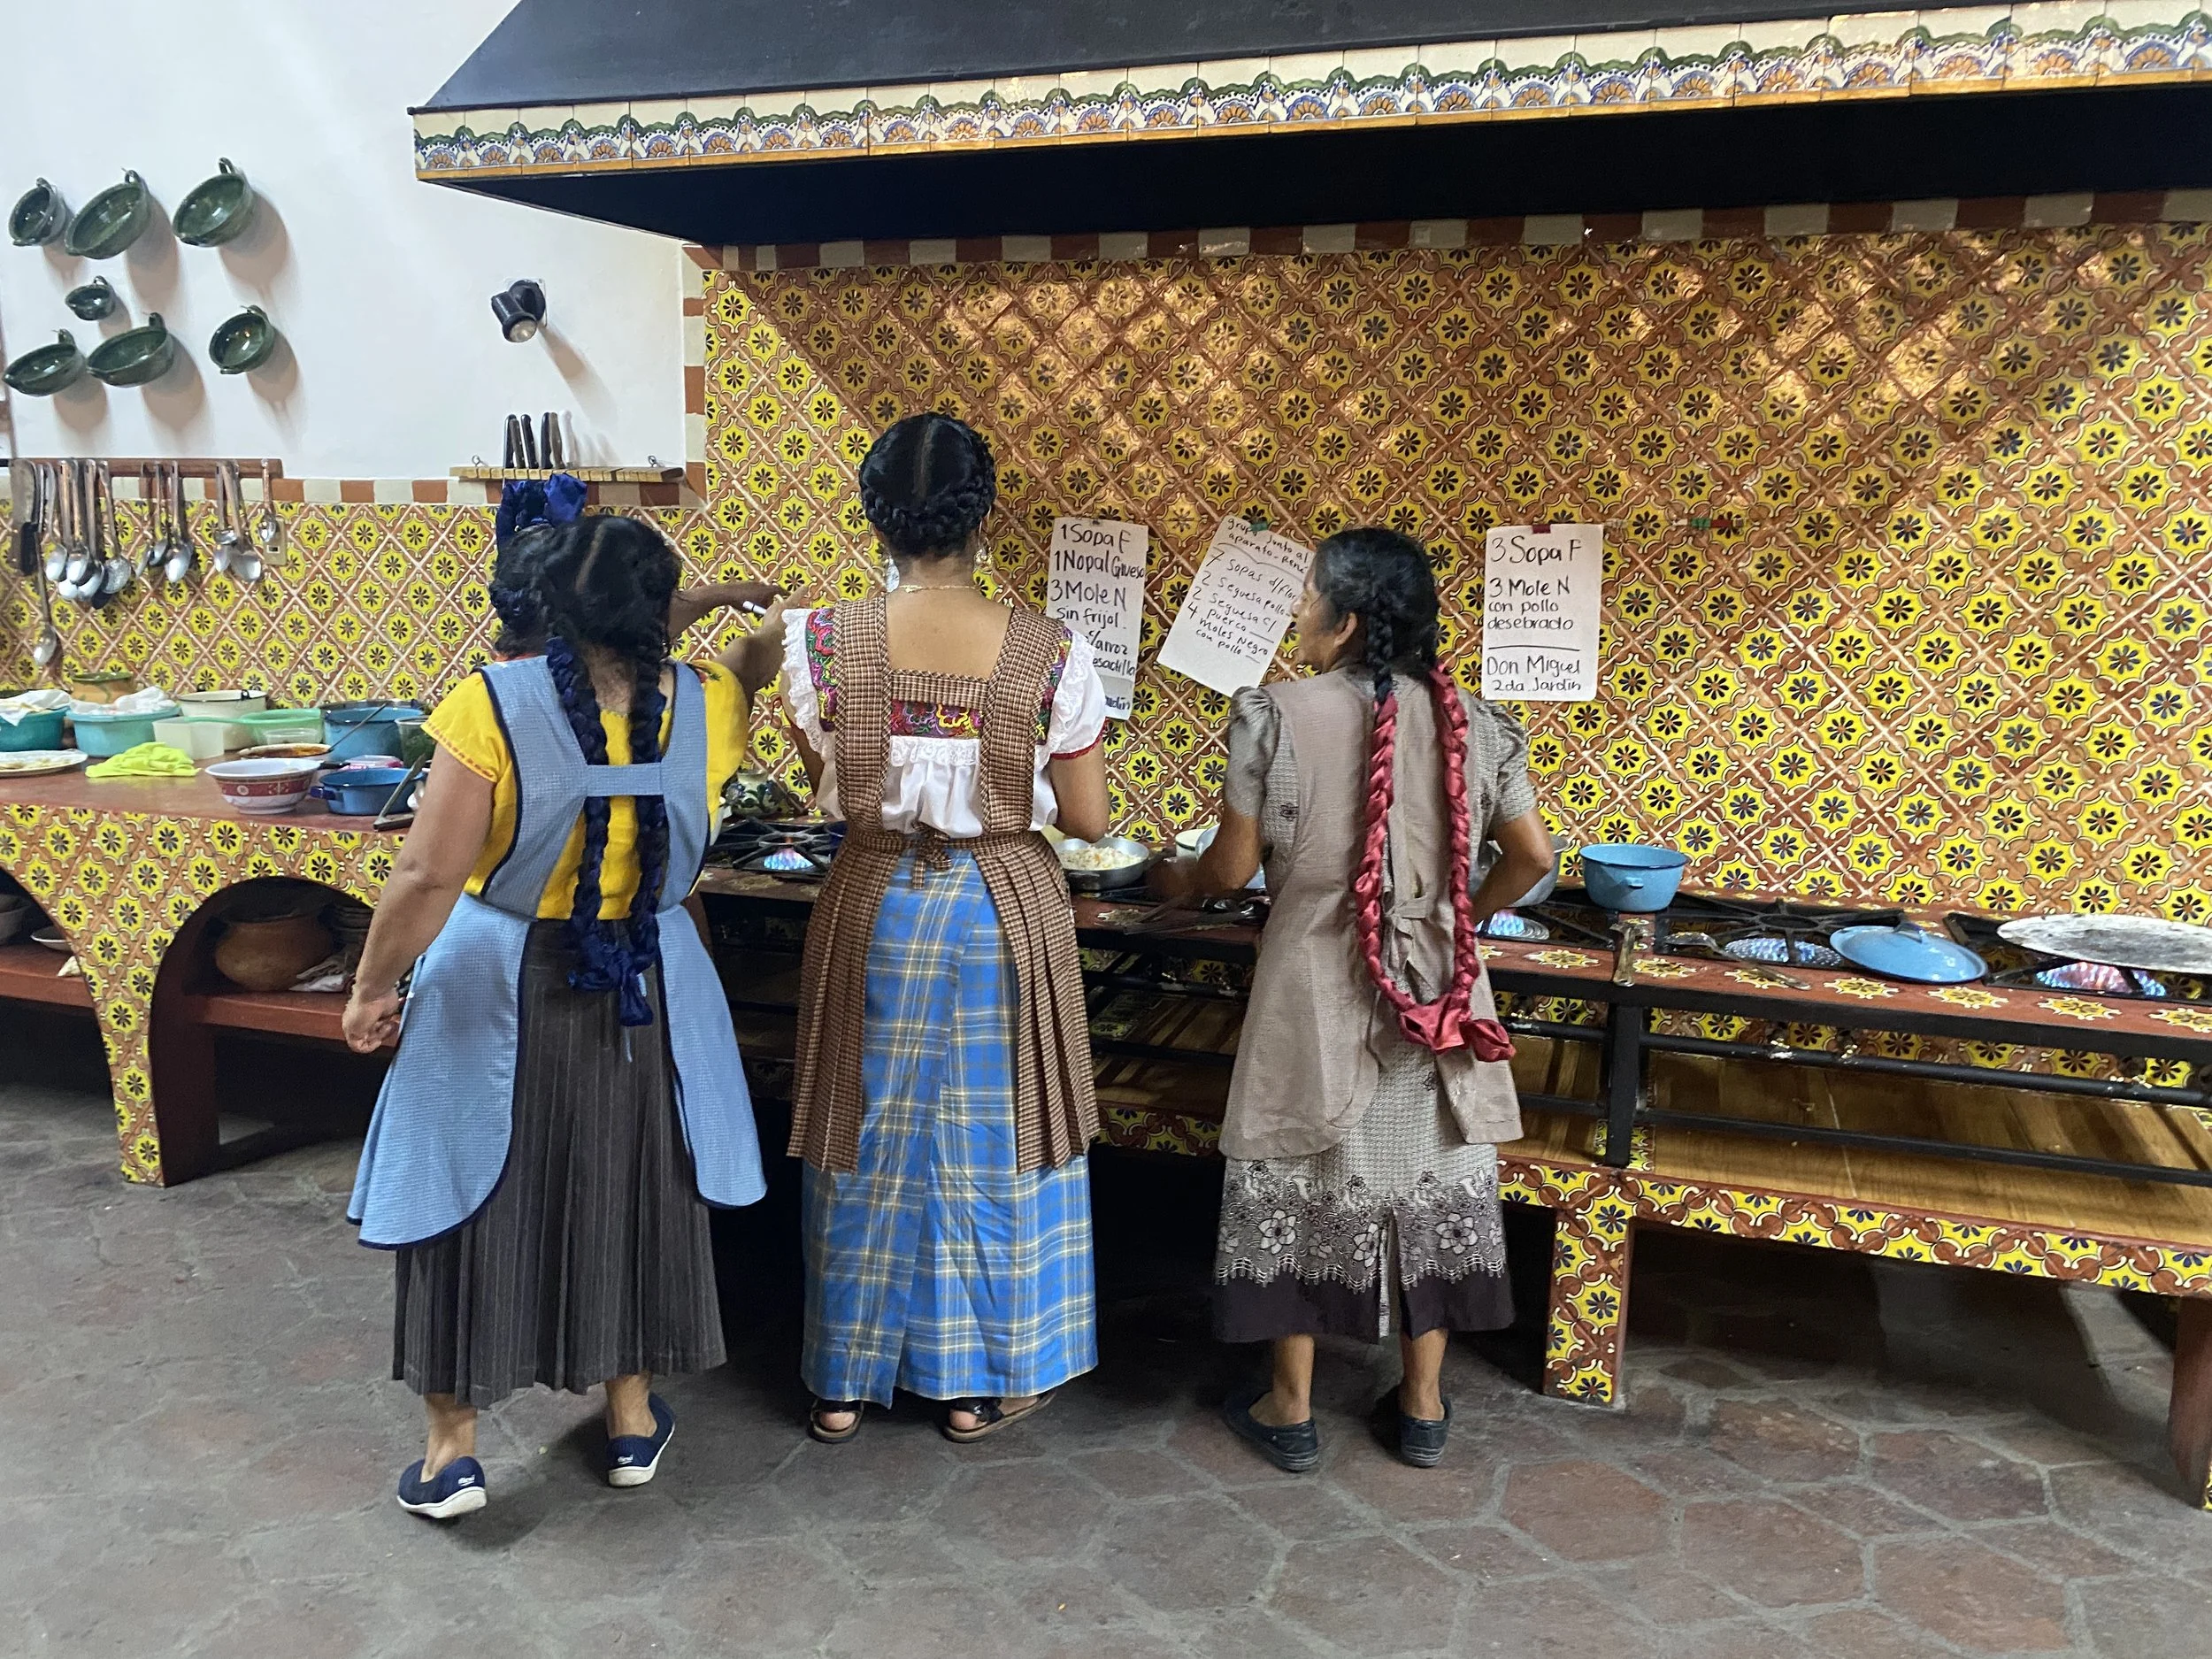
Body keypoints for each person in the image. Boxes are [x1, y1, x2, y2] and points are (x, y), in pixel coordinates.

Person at [342, 513, 791, 1518]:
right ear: (653, 613)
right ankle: (630, 1422)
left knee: (470, 1201)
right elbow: (713, 659)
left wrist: (372, 985)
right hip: (647, 986)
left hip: (494, 979)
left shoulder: (487, 704)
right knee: (629, 1188)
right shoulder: (707, 702)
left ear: (545, 603)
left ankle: (452, 1451)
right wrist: (737, 627)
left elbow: (425, 873)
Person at [1152, 526, 1553, 1472]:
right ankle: (1420, 1405)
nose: (1297, 613)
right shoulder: (1479, 724)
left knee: (1296, 1169)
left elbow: (1233, 866)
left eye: (1308, 597)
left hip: (1313, 985)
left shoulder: (1273, 713)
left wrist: (1176, 881)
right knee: (1428, 1174)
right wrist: (1459, 916)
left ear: (1346, 622)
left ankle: (1288, 1408)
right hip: (1439, 988)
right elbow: (1533, 858)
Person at [783, 412, 1110, 1445]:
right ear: (985, 516)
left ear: (874, 515)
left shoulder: (819, 640)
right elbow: (1092, 820)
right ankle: (971, 1383)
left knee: (862, 1128)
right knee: (993, 1137)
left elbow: (826, 787)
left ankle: (842, 1380)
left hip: (871, 899)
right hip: (1003, 912)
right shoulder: (1052, 650)